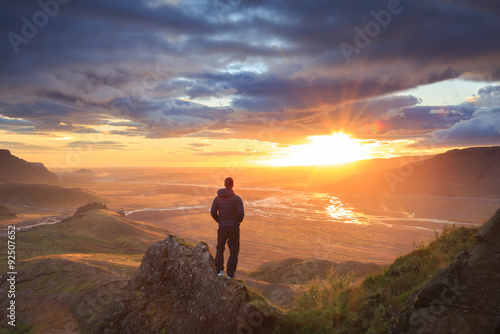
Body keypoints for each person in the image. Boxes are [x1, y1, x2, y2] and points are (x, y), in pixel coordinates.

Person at [210, 177, 244, 279]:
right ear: (232, 184)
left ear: (224, 184)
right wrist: (236, 221)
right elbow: (241, 214)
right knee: (234, 251)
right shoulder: (237, 199)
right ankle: (230, 275)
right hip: (233, 227)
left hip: (222, 227)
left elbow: (212, 212)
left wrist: (220, 221)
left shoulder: (217, 198)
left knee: (220, 248)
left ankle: (219, 271)